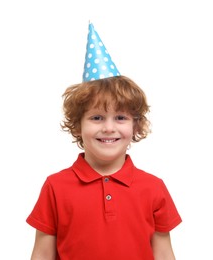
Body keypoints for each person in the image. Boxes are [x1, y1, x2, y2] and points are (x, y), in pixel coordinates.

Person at [26, 23, 182, 260]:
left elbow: (164, 254)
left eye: (120, 117)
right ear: (78, 125)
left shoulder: (153, 188)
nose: (109, 128)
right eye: (97, 117)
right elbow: (41, 254)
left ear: (135, 126)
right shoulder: (55, 187)